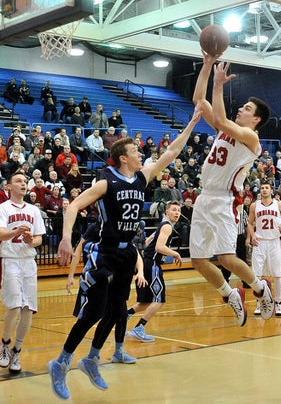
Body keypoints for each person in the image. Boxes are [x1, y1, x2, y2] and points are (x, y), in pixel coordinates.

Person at [47, 104, 201, 400]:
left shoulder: (141, 177)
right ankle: (60, 362)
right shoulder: (106, 181)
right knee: (93, 312)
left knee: (118, 311)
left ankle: (91, 359)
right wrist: (66, 239)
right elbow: (76, 205)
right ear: (123, 158)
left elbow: (171, 154)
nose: (140, 154)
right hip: (104, 253)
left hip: (127, 253)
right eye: (135, 151)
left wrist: (192, 123)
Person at [190, 52, 274, 327]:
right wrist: (205, 67)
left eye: (247, 109)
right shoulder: (225, 130)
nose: (241, 109)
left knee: (226, 258)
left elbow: (224, 120)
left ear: (256, 119)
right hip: (205, 197)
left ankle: (260, 288)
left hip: (226, 200)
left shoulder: (251, 138)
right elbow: (198, 102)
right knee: (199, 260)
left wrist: (218, 84)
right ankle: (230, 295)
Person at [66, 221, 146, 362]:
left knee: (120, 313)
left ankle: (114, 353)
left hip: (116, 277)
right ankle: (67, 356)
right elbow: (78, 250)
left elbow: (133, 250)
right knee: (88, 318)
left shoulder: (122, 227)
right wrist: (71, 275)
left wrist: (140, 271)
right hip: (96, 277)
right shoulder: (96, 228)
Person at [0, 172, 45, 373]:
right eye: (18, 181)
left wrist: (29, 240)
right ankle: (4, 344)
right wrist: (16, 232)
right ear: (8, 186)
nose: (23, 184)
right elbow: (1, 234)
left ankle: (16, 350)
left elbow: (39, 239)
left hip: (28, 262)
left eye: (25, 181)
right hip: (10, 261)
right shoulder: (3, 208)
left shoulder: (34, 210)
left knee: (28, 309)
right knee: (15, 307)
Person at [127, 201, 182, 342]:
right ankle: (139, 328)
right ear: (167, 212)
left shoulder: (163, 225)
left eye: (179, 210)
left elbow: (148, 241)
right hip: (152, 264)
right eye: (174, 210)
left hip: (146, 262)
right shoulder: (167, 227)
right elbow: (159, 247)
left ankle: (125, 315)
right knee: (159, 299)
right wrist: (175, 254)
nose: (177, 213)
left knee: (146, 301)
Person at [248, 182, 281, 316]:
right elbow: (250, 223)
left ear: (272, 190)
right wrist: (252, 236)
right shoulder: (254, 205)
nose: (264, 190)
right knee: (256, 275)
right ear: (260, 191)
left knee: (277, 275)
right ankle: (260, 303)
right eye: (262, 188)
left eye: (267, 188)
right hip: (260, 243)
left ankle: (278, 303)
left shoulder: (278, 204)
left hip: (274, 242)